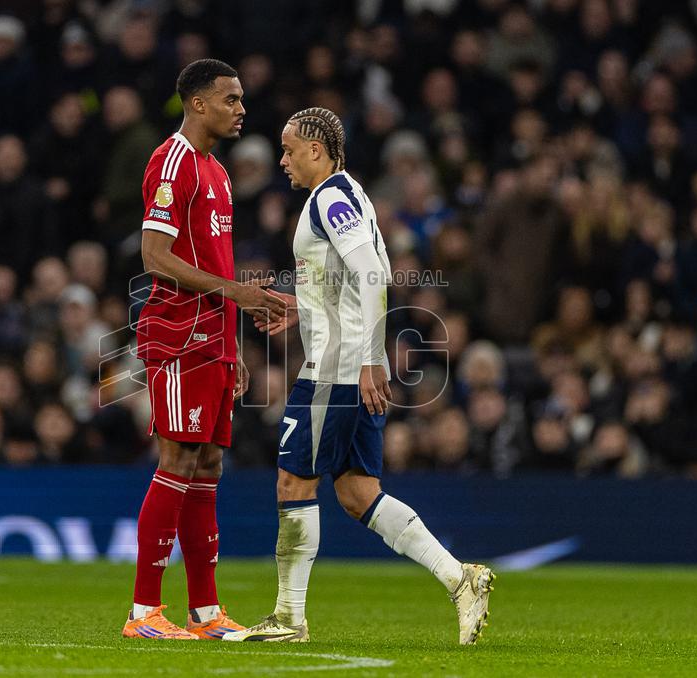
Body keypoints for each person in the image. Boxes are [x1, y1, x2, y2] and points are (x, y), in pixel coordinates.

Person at [223, 108, 494, 646]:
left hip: (337, 369)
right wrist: (302, 307)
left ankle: (289, 618)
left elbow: (372, 273)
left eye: (289, 150)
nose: (283, 161)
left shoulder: (328, 198)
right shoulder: (349, 194)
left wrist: (370, 359)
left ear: (316, 150)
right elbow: (357, 276)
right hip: (350, 363)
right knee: (357, 492)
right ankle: (460, 578)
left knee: (293, 483)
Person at [122, 59, 287, 641]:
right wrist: (237, 294)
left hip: (214, 339)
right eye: (230, 99)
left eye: (241, 99)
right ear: (197, 103)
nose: (241, 109)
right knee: (177, 460)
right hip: (177, 334)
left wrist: (232, 343)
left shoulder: (217, 171)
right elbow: (154, 256)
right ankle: (144, 612)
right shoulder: (172, 162)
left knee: (208, 465)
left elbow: (214, 261)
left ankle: (204, 612)